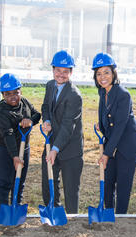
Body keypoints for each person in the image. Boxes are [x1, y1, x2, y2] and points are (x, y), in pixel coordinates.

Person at [92, 52, 136, 214]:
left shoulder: (123, 95)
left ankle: (121, 218)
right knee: (108, 180)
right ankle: (108, 213)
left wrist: (107, 154)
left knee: (123, 184)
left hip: (128, 145)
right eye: (99, 73)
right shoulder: (103, 92)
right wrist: (100, 126)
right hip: (113, 142)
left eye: (106, 72)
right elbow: (106, 116)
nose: (103, 77)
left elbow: (120, 126)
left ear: (114, 73)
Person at [41, 50, 83, 214]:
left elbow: (68, 126)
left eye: (66, 71)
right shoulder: (50, 85)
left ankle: (72, 219)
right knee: (48, 182)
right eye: (58, 70)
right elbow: (46, 107)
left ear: (71, 72)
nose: (61, 74)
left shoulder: (74, 95)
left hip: (70, 148)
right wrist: (47, 121)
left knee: (71, 189)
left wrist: (55, 149)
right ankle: (54, 212)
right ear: (53, 69)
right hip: (52, 141)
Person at [0, 73, 41, 215]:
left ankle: (16, 206)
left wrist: (30, 120)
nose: (13, 97)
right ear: (2, 95)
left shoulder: (24, 103)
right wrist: (14, 156)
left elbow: (37, 114)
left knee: (19, 180)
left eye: (16, 92)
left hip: (24, 148)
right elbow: (8, 135)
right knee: (4, 182)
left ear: (20, 91)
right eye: (8, 94)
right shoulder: (2, 113)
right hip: (5, 150)